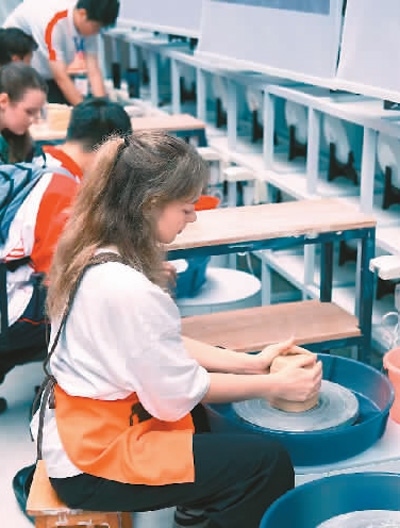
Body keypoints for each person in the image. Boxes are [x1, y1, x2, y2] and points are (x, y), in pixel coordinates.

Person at [31, 131, 322, 528]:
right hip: (91, 460)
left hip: (77, 423)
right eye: (186, 208)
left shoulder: (96, 250)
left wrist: (251, 364)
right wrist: (275, 386)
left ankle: (199, 507)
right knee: (266, 464)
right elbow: (175, 395)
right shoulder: (127, 288)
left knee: (209, 402)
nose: (193, 217)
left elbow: (160, 344)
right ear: (150, 204)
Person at [0, 97, 132, 397]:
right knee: (97, 310)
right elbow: (60, 280)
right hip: (10, 314)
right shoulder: (63, 193)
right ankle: (66, 391)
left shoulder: (43, 163)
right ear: (110, 150)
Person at [3, 0, 120, 106]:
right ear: (82, 14)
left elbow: (93, 70)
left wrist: (103, 108)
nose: (97, 32)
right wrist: (85, 112)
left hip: (49, 70)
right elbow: (61, 77)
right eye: (97, 27)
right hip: (15, 64)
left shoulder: (90, 21)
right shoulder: (53, 21)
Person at [0, 61, 47, 163]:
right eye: (29, 112)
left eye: (38, 112)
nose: (33, 120)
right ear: (3, 101)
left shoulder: (18, 140)